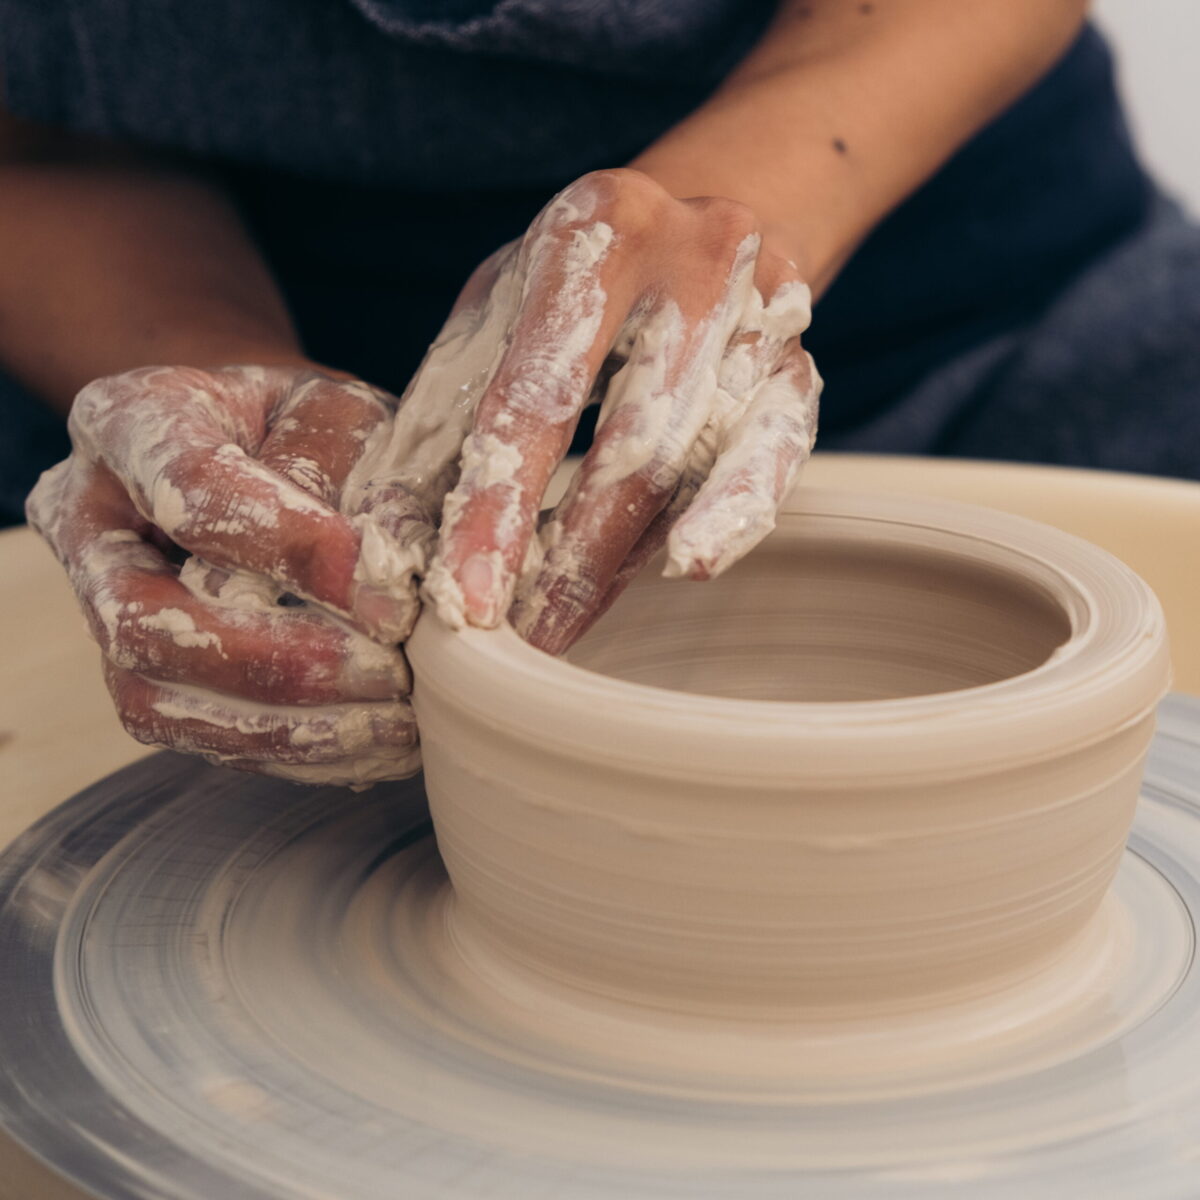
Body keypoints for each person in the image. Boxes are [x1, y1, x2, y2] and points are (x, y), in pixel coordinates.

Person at [2, 1, 1196, 783]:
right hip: (257, 344)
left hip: (955, 247)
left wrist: (726, 222)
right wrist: (207, 372)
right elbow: (34, 137)